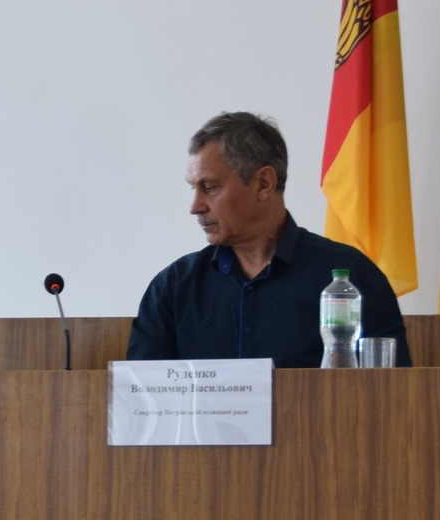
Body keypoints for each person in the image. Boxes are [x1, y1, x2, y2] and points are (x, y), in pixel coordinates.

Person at [128, 111, 412, 367]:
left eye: (210, 187)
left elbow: (392, 392)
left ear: (264, 183)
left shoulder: (350, 277)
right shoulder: (174, 287)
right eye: (193, 188)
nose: (195, 206)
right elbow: (140, 395)